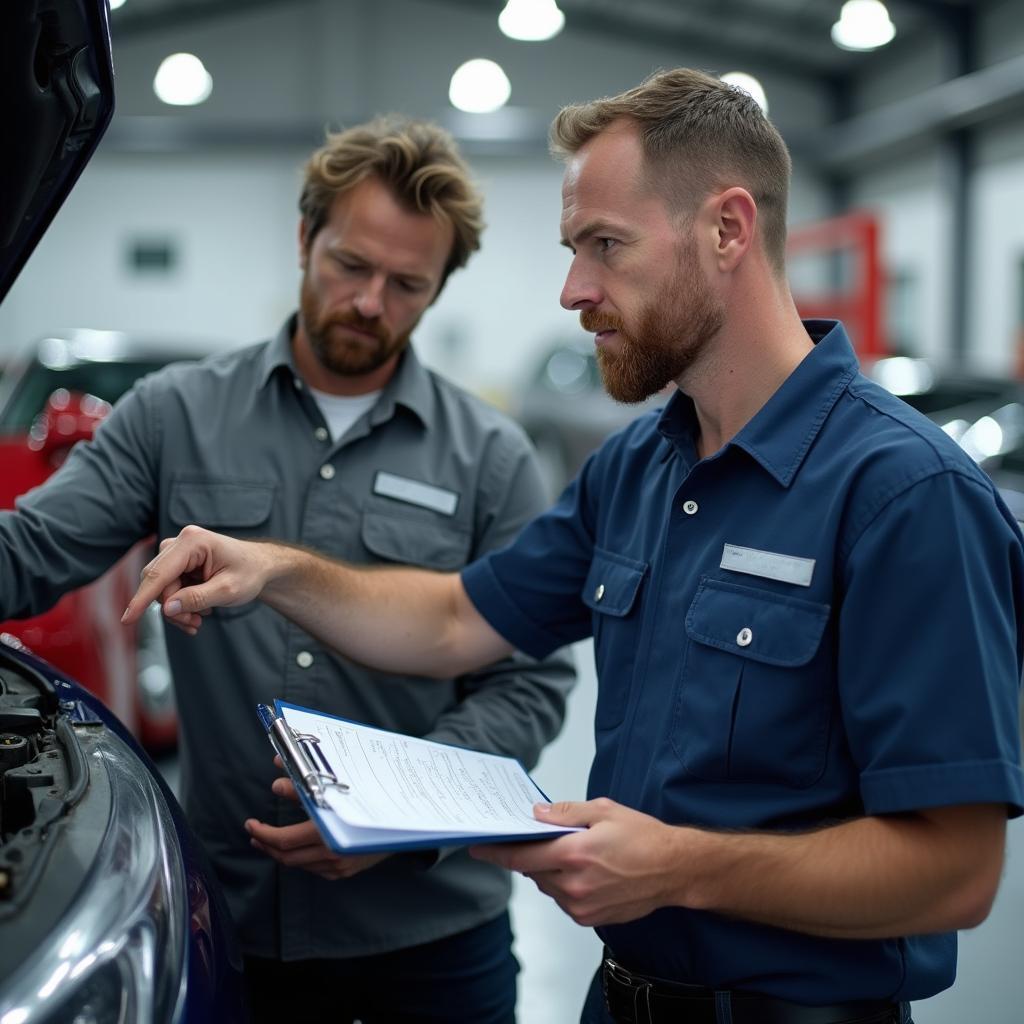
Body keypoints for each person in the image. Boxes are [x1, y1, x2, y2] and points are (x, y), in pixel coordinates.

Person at [124, 69, 1024, 1024]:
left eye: (605, 246)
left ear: (728, 229)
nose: (572, 290)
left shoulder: (907, 495)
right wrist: (277, 571)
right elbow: (455, 619)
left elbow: (954, 873)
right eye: (572, 247)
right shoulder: (638, 467)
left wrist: (680, 868)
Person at [0, 116, 576, 1024]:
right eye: (351, 265)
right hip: (230, 926)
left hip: (430, 942)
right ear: (306, 237)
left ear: (439, 289)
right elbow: (27, 557)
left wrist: (400, 817)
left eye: (407, 284)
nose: (370, 303)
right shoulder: (172, 416)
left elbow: (530, 679)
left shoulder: (491, 458)